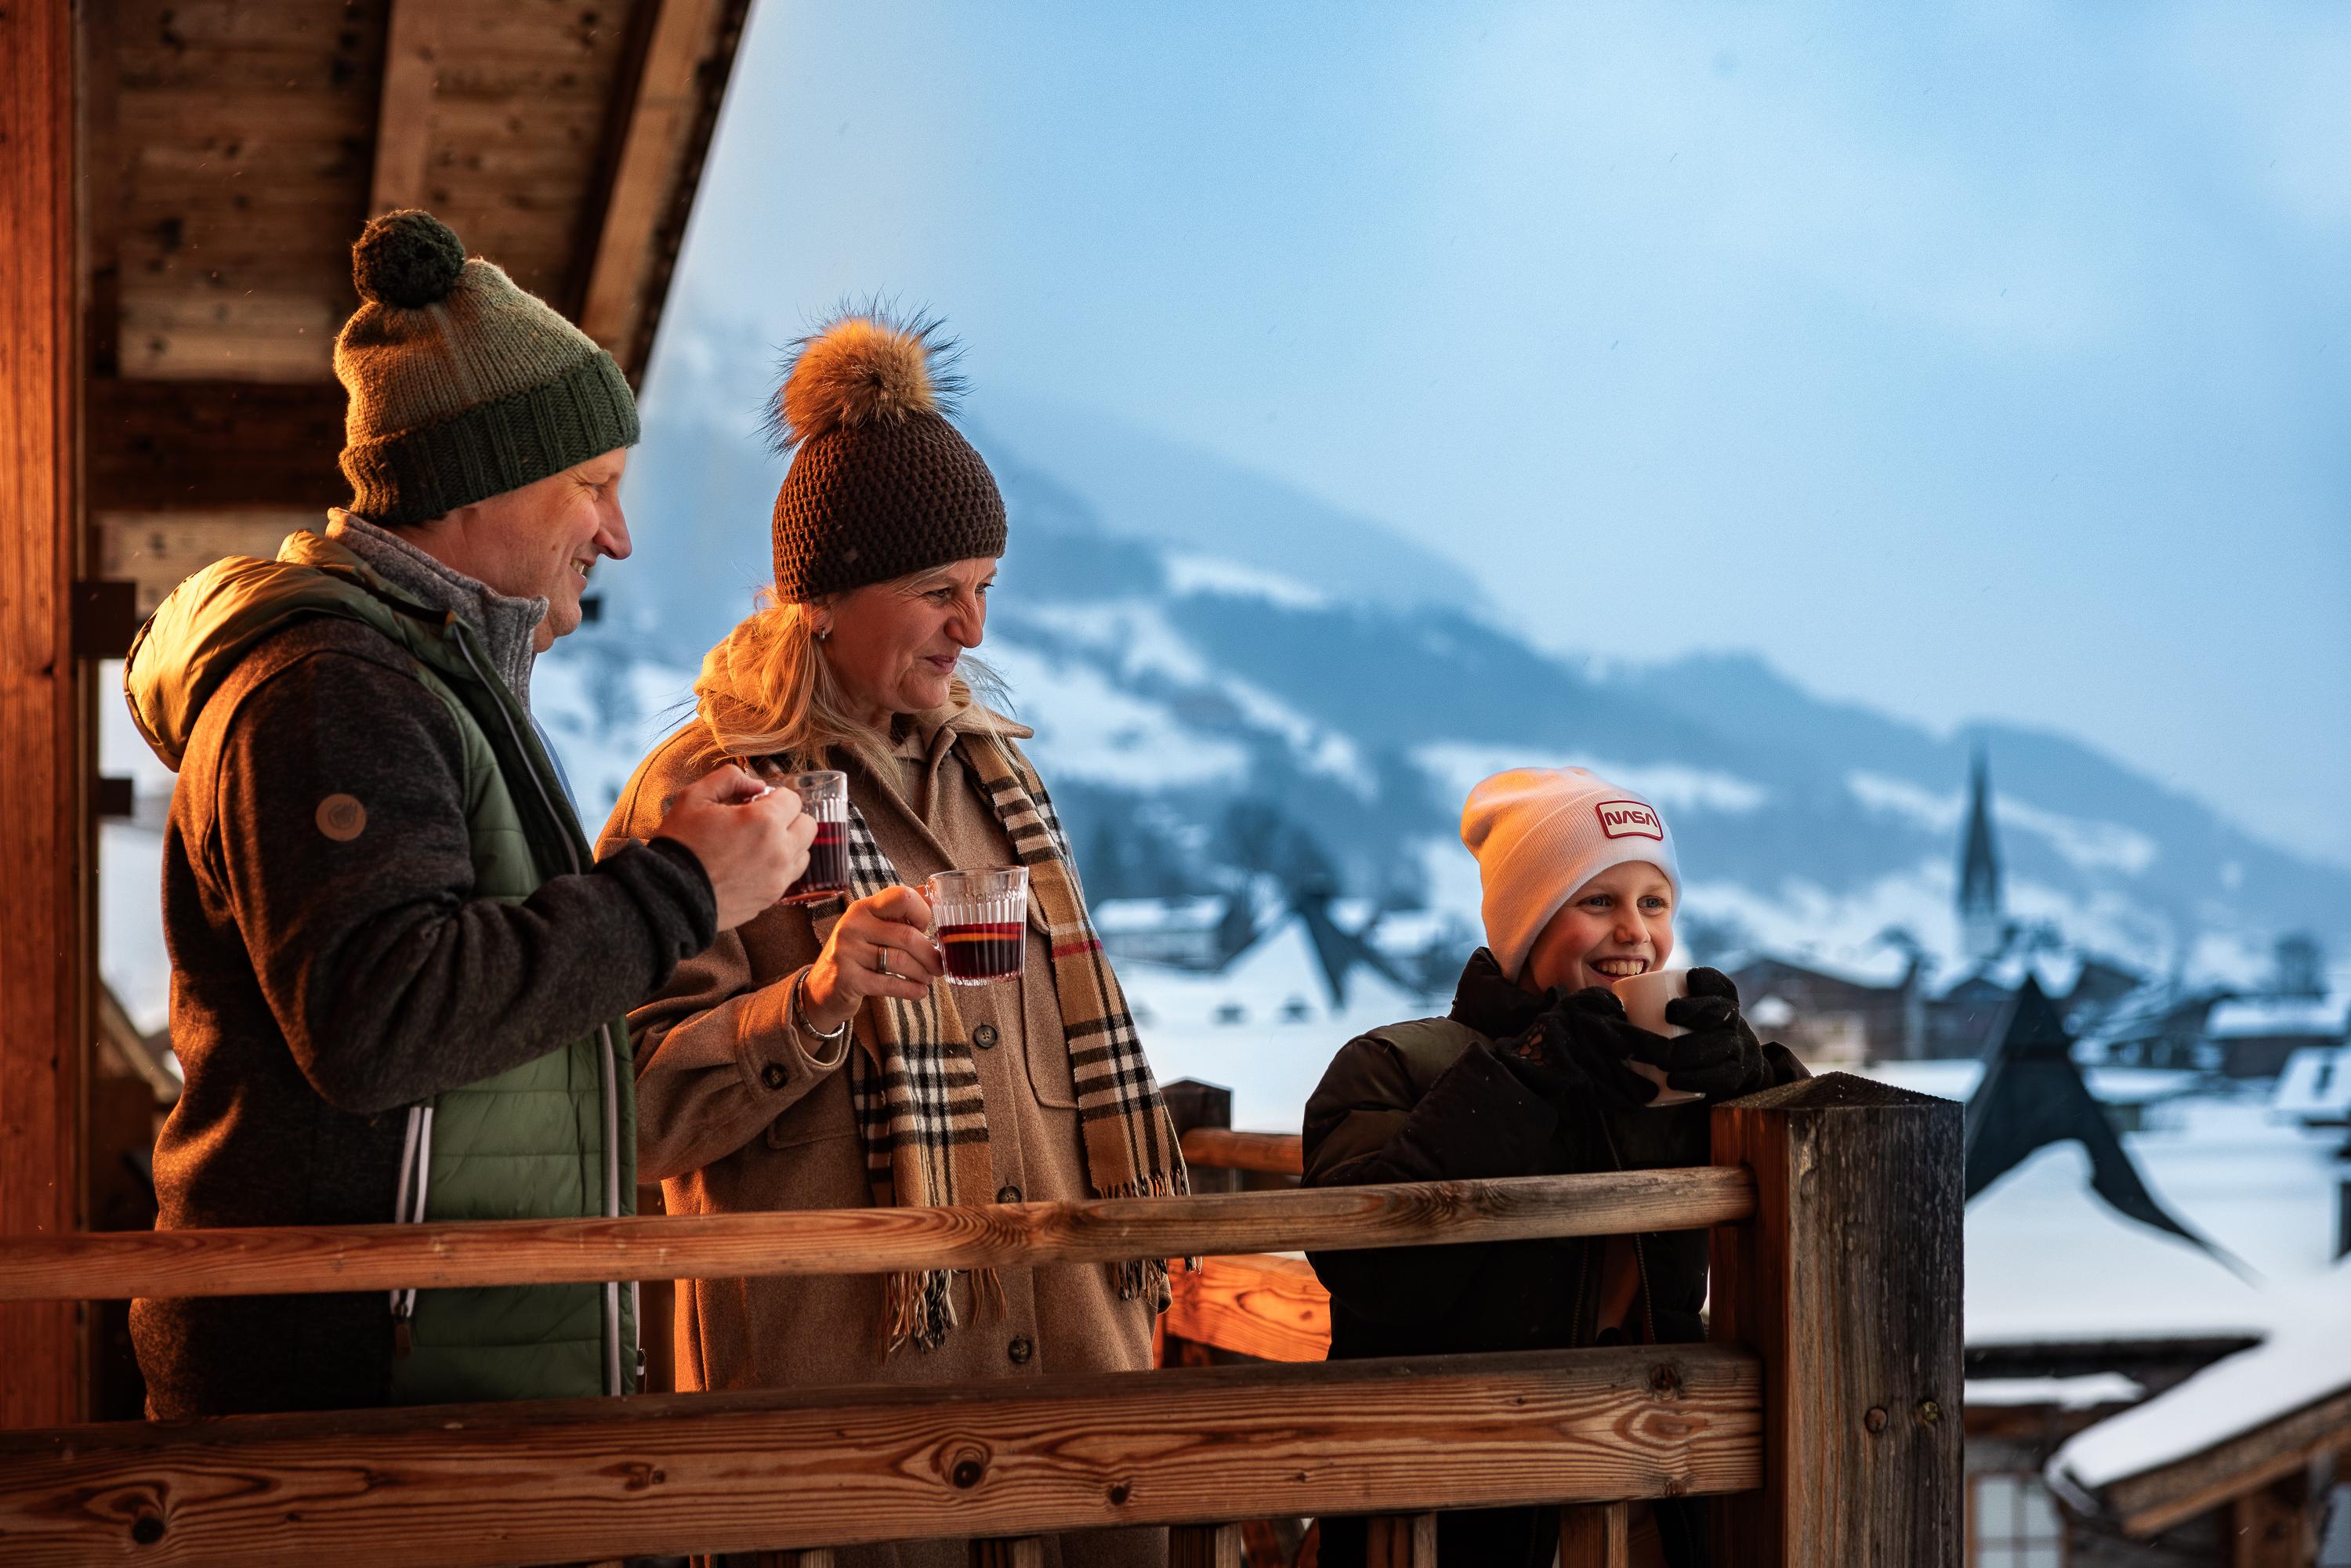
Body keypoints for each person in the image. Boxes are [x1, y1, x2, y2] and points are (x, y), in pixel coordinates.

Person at [123, 209, 813, 1419]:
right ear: (478, 482)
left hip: (422, 1364)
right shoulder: (333, 692)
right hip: (345, 1399)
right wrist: (681, 888)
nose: (619, 536)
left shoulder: (421, 681)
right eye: (593, 486)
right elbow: (383, 1021)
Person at [599, 310, 1185, 1568]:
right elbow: (624, 1115)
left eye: (984, 591)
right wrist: (810, 1004)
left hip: (1071, 1406)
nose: (974, 630)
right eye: (937, 594)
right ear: (821, 600)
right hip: (838, 1442)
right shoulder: (706, 794)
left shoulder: (1002, 787)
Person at [1301, 767, 1809, 1568]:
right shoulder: (1392, 1065)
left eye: (1655, 903)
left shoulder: (1669, 1083)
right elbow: (1375, 1274)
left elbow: (1826, 1219)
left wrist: (1756, 1079)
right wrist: (1527, 1072)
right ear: (1526, 922)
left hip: (1658, 1494)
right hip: (1446, 1510)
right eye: (1597, 901)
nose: (1634, 931)